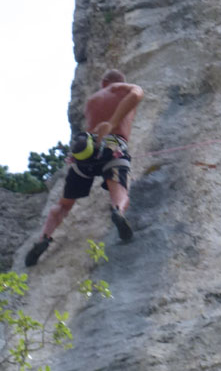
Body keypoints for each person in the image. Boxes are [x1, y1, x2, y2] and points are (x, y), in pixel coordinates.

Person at [25, 69, 144, 267]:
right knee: (119, 187)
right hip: (113, 145)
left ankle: (44, 238)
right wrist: (112, 123)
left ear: (103, 83)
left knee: (64, 204)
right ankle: (118, 211)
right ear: (118, 82)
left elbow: (89, 127)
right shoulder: (124, 89)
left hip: (85, 151)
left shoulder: (92, 100)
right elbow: (137, 95)